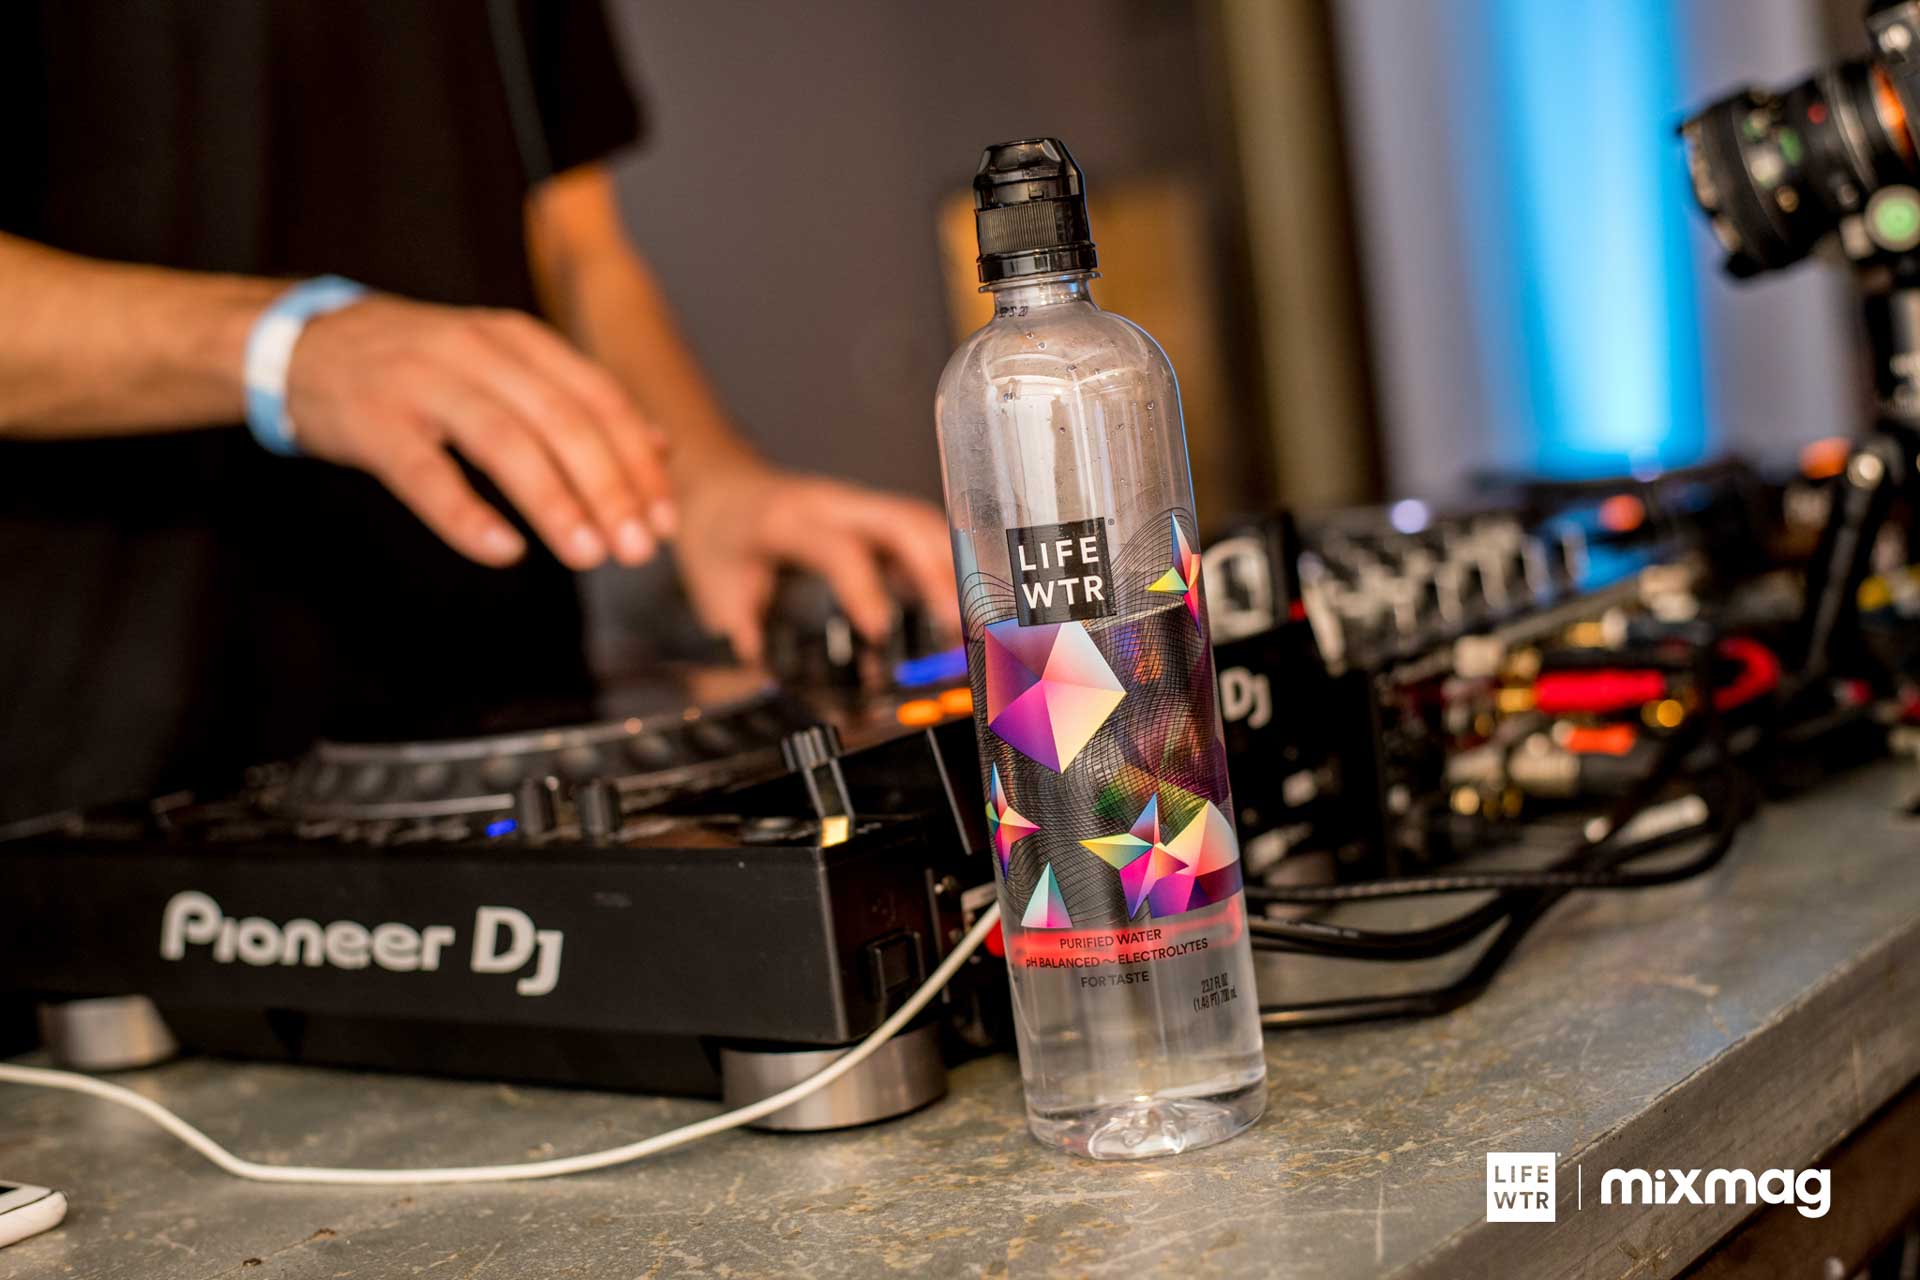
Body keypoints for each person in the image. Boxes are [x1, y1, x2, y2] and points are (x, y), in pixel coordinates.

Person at [0, 1, 955, 819]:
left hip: (512, 741)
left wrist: (703, 476)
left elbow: (576, 246)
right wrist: (284, 348)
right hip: (103, 772)